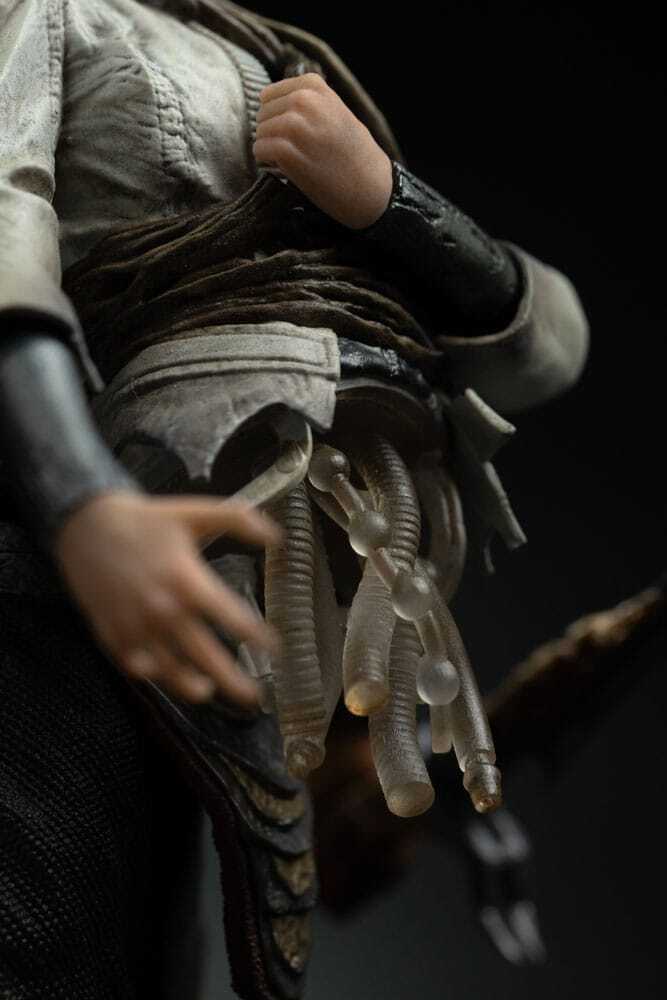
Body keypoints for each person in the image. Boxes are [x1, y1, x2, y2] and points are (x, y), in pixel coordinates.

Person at [0, 2, 589, 997]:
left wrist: (390, 202)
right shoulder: (50, 15)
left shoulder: (281, 59)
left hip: (249, 594)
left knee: (149, 950)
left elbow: (543, 350)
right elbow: (7, 246)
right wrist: (83, 503)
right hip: (81, 565)